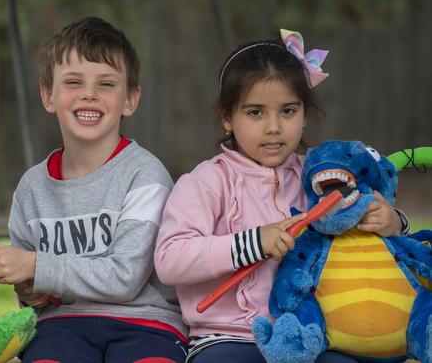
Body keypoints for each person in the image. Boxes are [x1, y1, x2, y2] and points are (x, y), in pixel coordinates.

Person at [154, 30, 409, 363]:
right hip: (229, 338)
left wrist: (392, 221)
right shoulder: (206, 182)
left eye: (288, 111)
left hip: (311, 336)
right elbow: (170, 261)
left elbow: (361, 218)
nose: (273, 127)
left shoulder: (321, 178)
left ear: (304, 115)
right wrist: (253, 242)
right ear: (227, 118)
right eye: (255, 112)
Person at [0, 16, 188, 362]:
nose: (89, 94)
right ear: (49, 95)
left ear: (130, 99)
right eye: (73, 82)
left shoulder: (145, 174)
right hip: (61, 325)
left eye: (106, 84)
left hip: (145, 324)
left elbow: (125, 278)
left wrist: (36, 265)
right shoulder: (32, 187)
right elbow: (33, 287)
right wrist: (30, 290)